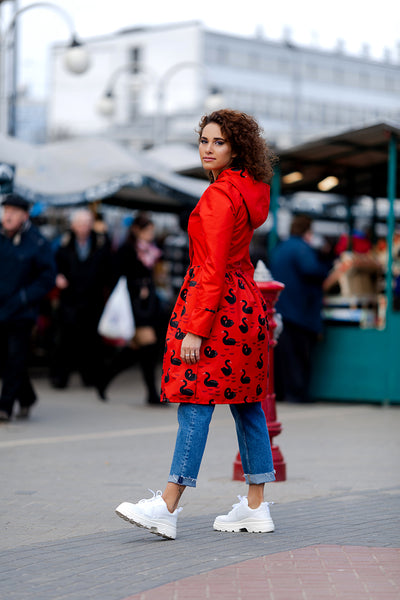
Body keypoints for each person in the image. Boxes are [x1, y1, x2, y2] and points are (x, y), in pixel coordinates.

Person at [115, 109, 277, 540]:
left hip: (218, 308)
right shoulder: (249, 191)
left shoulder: (219, 197)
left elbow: (210, 267)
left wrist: (195, 326)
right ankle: (256, 507)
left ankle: (167, 507)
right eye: (204, 140)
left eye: (218, 142)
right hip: (246, 304)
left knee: (196, 401)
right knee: (247, 405)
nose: (208, 148)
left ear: (236, 147)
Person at [0, 193, 56, 422]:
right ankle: (28, 397)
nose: (8, 215)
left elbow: (48, 277)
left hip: (22, 311)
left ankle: (4, 406)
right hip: (1, 307)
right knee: (6, 359)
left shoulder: (37, 241)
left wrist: (25, 297)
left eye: (13, 211)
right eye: (6, 210)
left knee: (15, 357)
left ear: (24, 216)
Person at [97, 213, 163, 405]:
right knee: (149, 346)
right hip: (134, 305)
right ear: (137, 230)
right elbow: (117, 276)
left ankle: (105, 378)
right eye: (147, 230)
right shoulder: (127, 250)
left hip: (148, 305)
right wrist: (138, 287)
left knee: (138, 350)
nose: (150, 234)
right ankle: (151, 394)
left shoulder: (151, 250)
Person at [270, 214, 331, 404]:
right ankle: (298, 394)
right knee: (299, 357)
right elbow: (311, 270)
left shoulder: (281, 247)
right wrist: (327, 264)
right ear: (308, 231)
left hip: (281, 309)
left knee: (283, 357)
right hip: (299, 312)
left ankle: (282, 392)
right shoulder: (302, 249)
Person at [50, 208, 112, 389]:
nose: (84, 227)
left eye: (87, 223)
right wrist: (57, 276)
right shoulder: (63, 242)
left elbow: (109, 267)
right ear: (73, 225)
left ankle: (90, 376)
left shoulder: (100, 242)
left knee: (91, 340)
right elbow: (51, 264)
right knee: (65, 339)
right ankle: (60, 377)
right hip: (70, 298)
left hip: (93, 298)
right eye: (80, 223)